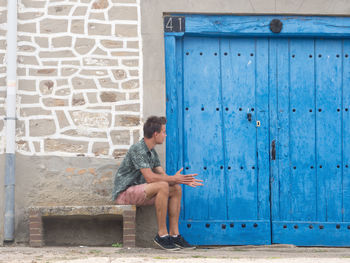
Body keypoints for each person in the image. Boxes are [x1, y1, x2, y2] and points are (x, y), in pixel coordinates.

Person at [112, 116, 203, 251]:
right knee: (163, 185)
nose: (165, 135)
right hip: (125, 193)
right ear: (156, 134)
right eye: (164, 132)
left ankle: (174, 235)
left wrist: (178, 179)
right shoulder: (138, 149)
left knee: (176, 189)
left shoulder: (152, 152)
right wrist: (172, 179)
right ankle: (161, 235)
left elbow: (163, 176)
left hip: (142, 191)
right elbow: (150, 178)